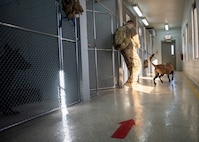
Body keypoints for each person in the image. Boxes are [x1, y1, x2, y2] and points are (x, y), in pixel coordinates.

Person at [120, 20, 142, 88]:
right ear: (132, 24)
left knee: (131, 66)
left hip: (123, 49)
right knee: (138, 65)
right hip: (130, 49)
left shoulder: (123, 28)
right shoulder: (131, 28)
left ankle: (132, 82)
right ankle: (131, 82)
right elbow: (136, 39)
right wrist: (138, 45)